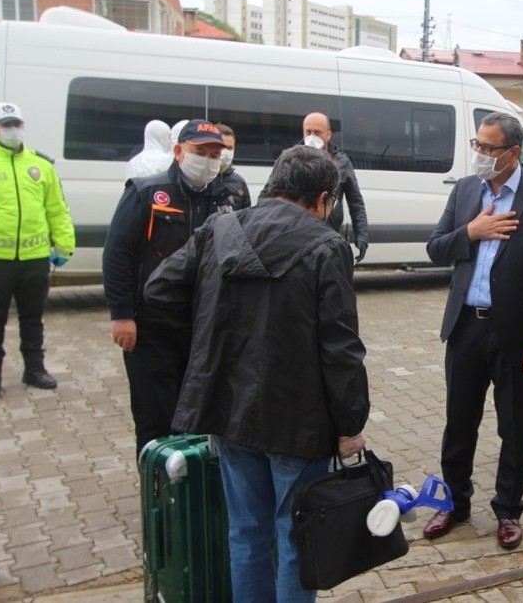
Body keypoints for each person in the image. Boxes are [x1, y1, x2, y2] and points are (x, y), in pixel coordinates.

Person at [144, 145, 368, 602]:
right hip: (298, 417)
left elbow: (159, 289)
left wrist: (213, 333)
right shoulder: (327, 245)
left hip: (229, 408)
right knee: (296, 536)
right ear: (322, 199)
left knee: (246, 531)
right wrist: (351, 423)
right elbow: (341, 347)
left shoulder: (220, 228)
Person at [423, 112, 523, 550]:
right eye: (478, 145)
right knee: (459, 423)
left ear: (512, 153)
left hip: (516, 337)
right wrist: (472, 231)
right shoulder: (467, 190)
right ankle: (455, 503)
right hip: (466, 327)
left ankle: (508, 509)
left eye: (489, 148)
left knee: (516, 429)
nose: (480, 154)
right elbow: (435, 248)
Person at [102, 120, 233, 457]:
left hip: (202, 330)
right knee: (155, 421)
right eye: (200, 152)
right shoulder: (146, 192)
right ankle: (157, 485)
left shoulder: (225, 199)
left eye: (214, 154)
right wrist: (121, 315)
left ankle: (193, 484)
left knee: (199, 420)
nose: (207, 161)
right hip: (151, 329)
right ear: (178, 151)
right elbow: (118, 254)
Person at [0, 102, 75, 400]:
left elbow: (57, 208)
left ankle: (34, 369)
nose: (12, 130)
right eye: (6, 125)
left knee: (33, 318)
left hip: (35, 259)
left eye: (16, 124)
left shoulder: (41, 165)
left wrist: (64, 245)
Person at [261, 112, 369, 262]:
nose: (312, 136)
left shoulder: (341, 162)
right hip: (295, 236)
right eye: (308, 132)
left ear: (328, 134)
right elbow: (267, 195)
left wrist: (362, 236)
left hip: (329, 236)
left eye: (317, 132)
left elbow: (355, 202)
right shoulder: (290, 160)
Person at [216, 123, 251, 210]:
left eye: (230, 148)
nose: (226, 152)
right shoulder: (203, 180)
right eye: (222, 147)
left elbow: (246, 214)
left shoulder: (239, 182)